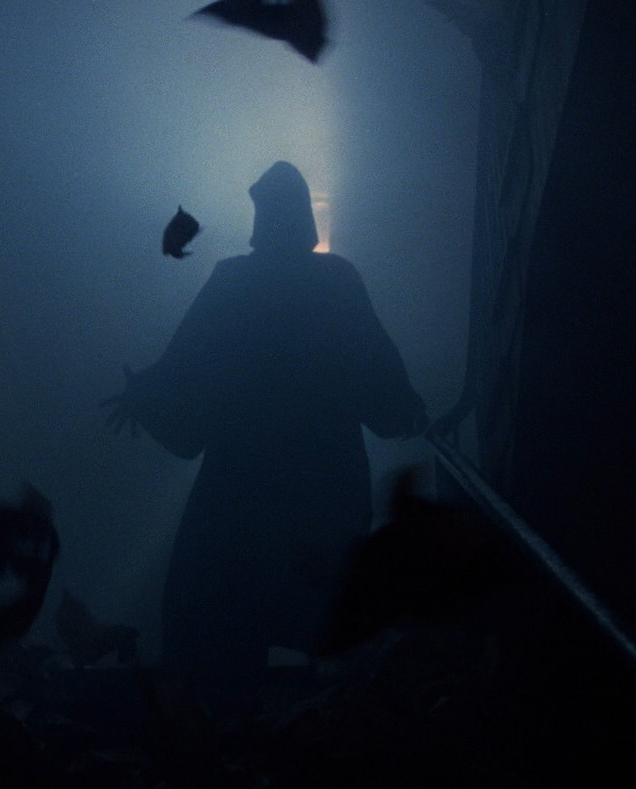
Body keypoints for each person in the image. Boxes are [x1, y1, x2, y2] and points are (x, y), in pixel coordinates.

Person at [106, 161, 428, 678]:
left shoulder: (234, 281)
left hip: (243, 477)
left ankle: (227, 709)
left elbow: (185, 365)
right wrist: (404, 405)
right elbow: (378, 376)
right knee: (317, 605)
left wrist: (149, 393)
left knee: (224, 608)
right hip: (323, 477)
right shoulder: (335, 280)